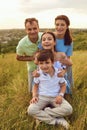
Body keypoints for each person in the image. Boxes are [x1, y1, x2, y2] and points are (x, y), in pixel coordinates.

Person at [27, 50, 73, 129]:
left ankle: (44, 114)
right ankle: (56, 121)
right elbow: (35, 86)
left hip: (55, 97)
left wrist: (60, 95)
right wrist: (34, 96)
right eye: (41, 63)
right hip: (42, 97)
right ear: (38, 64)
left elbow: (63, 85)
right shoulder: (38, 73)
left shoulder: (58, 73)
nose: (44, 66)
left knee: (69, 109)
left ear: (52, 62)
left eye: (47, 62)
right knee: (30, 110)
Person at [16, 18, 42, 93]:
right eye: (29, 29)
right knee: (32, 91)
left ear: (38, 28)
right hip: (32, 68)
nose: (32, 31)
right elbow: (18, 57)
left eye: (34, 28)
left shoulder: (44, 36)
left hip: (47, 67)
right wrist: (32, 57)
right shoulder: (21, 44)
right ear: (26, 30)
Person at [54, 15, 73, 94]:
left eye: (62, 25)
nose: (59, 27)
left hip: (62, 68)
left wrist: (64, 71)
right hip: (49, 66)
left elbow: (67, 60)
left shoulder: (69, 41)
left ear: (67, 26)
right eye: (57, 24)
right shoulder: (50, 37)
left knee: (64, 91)